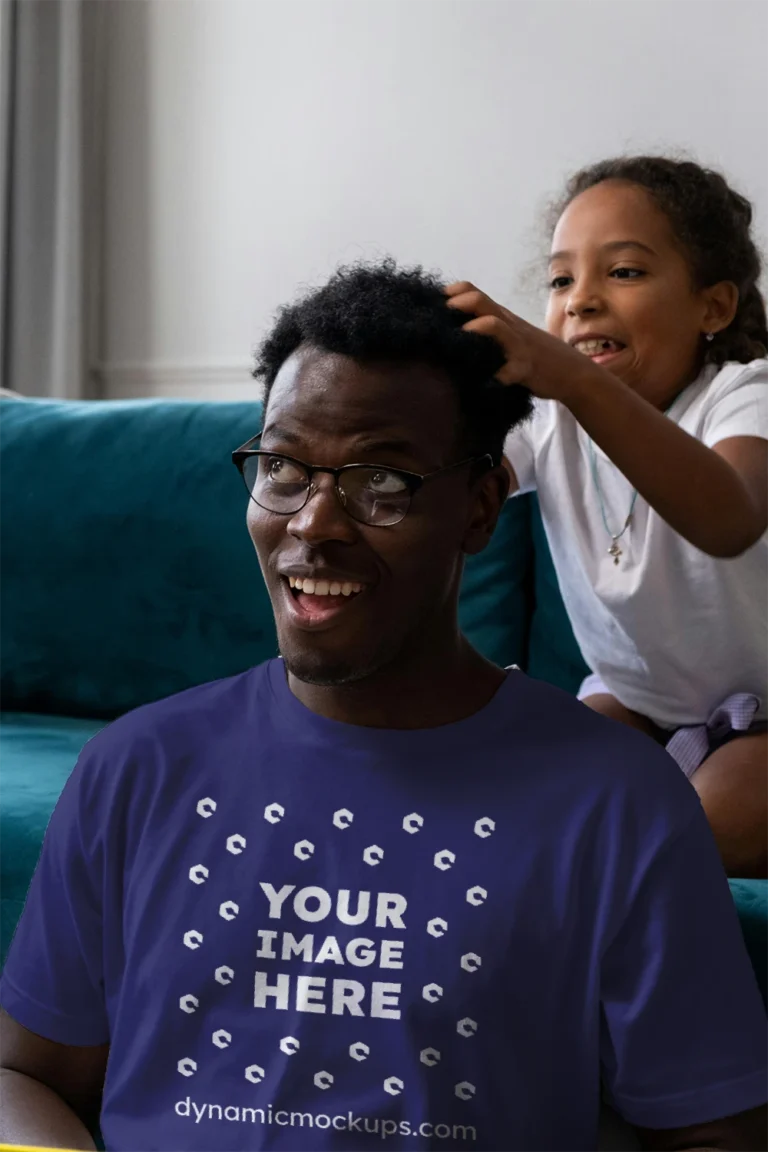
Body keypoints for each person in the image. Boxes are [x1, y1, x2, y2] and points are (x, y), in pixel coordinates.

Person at [1, 261, 768, 1152]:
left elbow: (716, 1135)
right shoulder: (133, 770)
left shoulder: (619, 803)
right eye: (284, 467)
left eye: (382, 482)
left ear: (481, 508)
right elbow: (25, 1075)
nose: (315, 522)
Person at [446, 156, 768, 879]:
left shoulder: (745, 395)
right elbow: (462, 486)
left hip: (766, 722)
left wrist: (572, 379)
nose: (580, 300)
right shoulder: (547, 417)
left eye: (622, 272)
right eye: (561, 280)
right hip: (638, 704)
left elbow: (731, 518)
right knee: (522, 803)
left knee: (700, 831)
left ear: (712, 308)